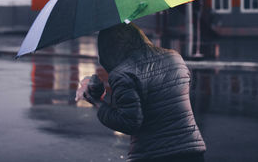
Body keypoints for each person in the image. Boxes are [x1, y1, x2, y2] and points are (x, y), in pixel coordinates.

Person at [83, 23, 206, 162]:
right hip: (191, 151)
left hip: (154, 154)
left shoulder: (123, 74)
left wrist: (98, 101)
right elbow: (175, 93)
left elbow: (129, 122)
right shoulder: (175, 58)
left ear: (108, 49)